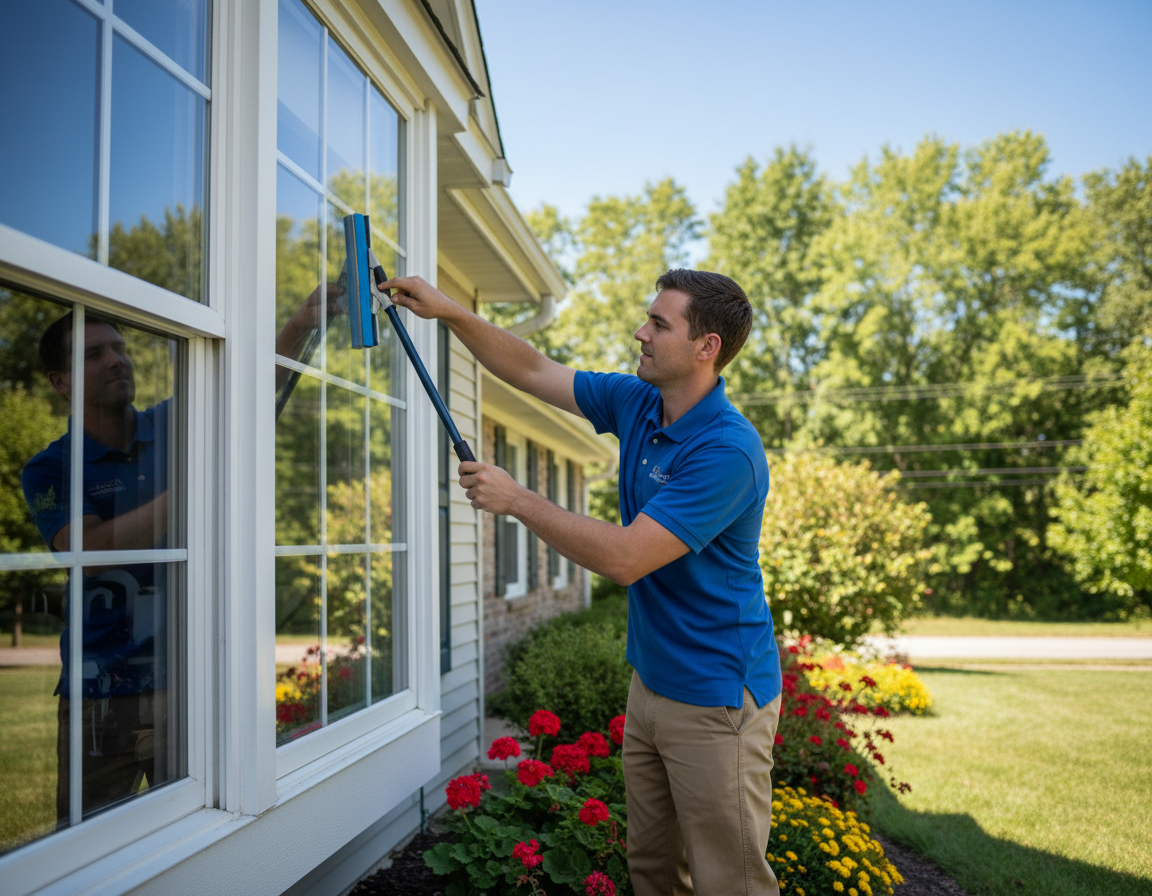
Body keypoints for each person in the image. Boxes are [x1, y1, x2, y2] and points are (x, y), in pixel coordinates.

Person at [382, 268, 783, 896]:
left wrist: (518, 500)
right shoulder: (639, 402)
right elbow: (536, 370)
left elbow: (626, 558)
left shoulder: (727, 452)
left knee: (728, 882)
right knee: (652, 870)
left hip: (717, 697)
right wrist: (450, 312)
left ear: (706, 348)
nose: (639, 332)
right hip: (651, 682)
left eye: (659, 323)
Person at [22, 313, 175, 826]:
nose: (116, 359)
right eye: (93, 354)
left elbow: (257, 383)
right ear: (60, 381)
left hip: (187, 683)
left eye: (118, 347)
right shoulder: (52, 468)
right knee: (85, 855)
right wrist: (190, 492)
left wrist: (304, 320)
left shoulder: (174, 426)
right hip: (98, 697)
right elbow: (89, 549)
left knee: (199, 836)